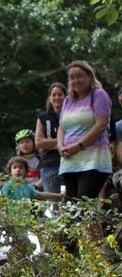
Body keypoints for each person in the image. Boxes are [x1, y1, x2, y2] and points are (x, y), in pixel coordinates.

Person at [57, 60, 113, 200]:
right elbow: (62, 127)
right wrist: (60, 146)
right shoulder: (68, 100)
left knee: (84, 205)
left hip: (93, 161)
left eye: (80, 76)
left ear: (89, 76)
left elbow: (101, 125)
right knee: (72, 209)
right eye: (72, 77)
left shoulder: (99, 95)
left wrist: (78, 146)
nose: (76, 80)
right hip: (69, 162)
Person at [35, 83, 68, 195]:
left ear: (66, 97)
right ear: (50, 98)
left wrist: (50, 143)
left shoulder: (72, 116)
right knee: (53, 203)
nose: (57, 97)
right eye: (54, 95)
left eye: (60, 94)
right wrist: (62, 141)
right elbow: (39, 142)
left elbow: (77, 138)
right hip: (50, 165)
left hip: (70, 162)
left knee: (73, 199)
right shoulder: (43, 117)